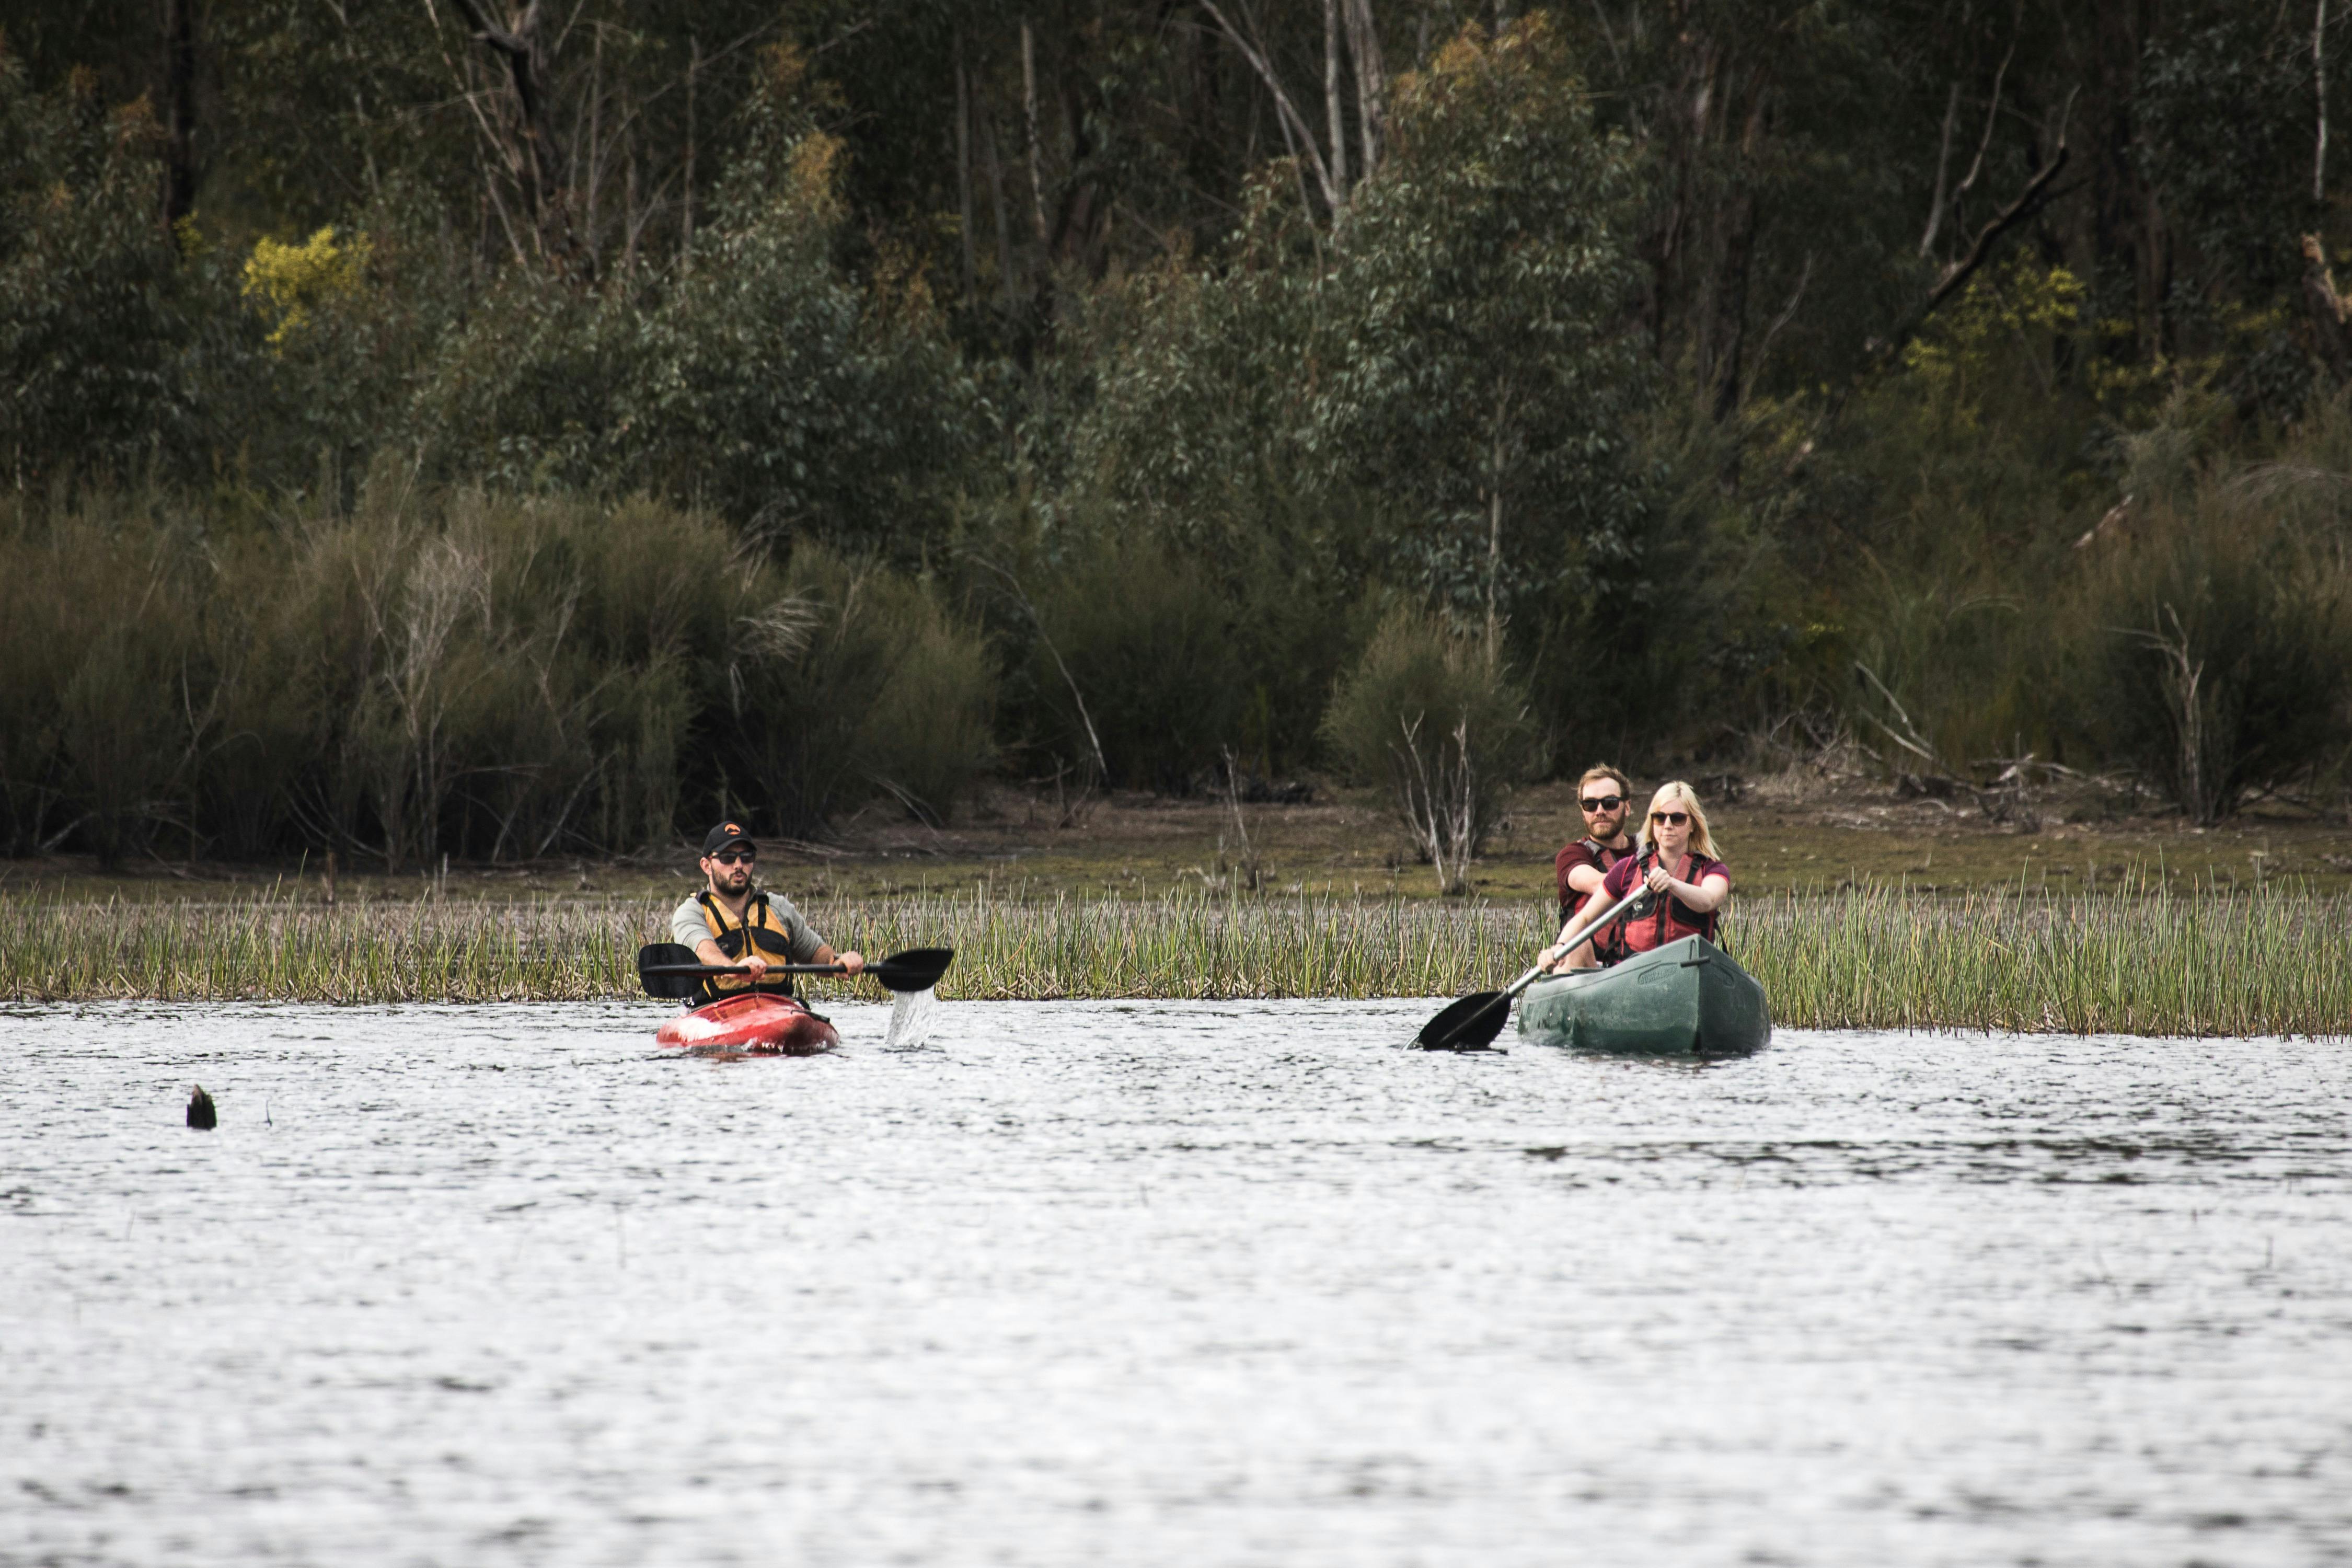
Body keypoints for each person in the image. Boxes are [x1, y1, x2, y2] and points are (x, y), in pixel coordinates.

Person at [1541, 780, 1731, 971]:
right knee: (1576, 946)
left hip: (1688, 970)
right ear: (1652, 822)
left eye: (1678, 818)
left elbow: (1709, 900)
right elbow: (1585, 919)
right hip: (1632, 975)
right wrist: (1559, 948)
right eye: (1660, 818)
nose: (1667, 825)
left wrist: (1672, 884)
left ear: (1693, 825)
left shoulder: (1713, 869)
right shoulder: (1628, 869)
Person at [670, 821, 863, 1004]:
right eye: (727, 858)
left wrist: (838, 961)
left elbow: (815, 953)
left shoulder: (778, 907)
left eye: (746, 857)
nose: (738, 865)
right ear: (706, 865)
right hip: (717, 1009)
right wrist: (735, 970)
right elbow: (703, 951)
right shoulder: (691, 912)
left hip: (778, 1007)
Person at [1553, 764, 1638, 926]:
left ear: (1627, 807)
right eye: (1591, 805)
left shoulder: (1649, 849)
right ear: (1583, 811)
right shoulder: (1571, 855)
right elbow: (1598, 884)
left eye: (1610, 803)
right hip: (1593, 950)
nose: (1600, 811)